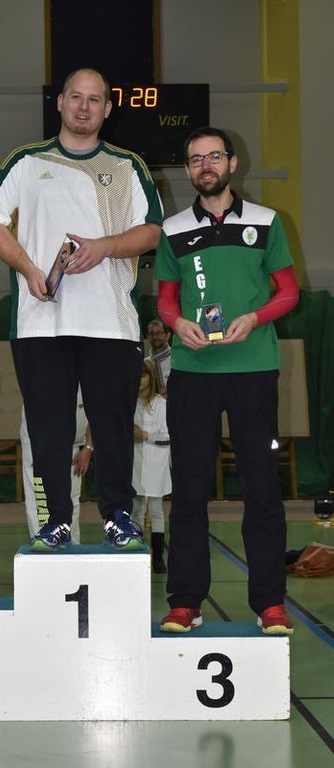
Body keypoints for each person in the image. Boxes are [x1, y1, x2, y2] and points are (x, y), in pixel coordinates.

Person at [0, 67, 163, 551]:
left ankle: (118, 517)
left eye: (94, 99)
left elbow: (152, 231)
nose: (84, 107)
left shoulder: (127, 166)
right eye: (76, 97)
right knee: (48, 431)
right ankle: (56, 521)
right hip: (41, 322)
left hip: (112, 324)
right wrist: (28, 269)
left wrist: (104, 248)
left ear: (107, 108)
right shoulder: (25, 161)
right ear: (59, 102)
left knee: (113, 427)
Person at [155, 126, 300, 635]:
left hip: (253, 369)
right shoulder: (172, 229)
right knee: (189, 490)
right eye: (196, 159)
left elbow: (288, 293)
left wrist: (255, 318)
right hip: (193, 373)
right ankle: (185, 602)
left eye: (214, 156)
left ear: (232, 163)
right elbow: (165, 299)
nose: (206, 166)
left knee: (262, 488)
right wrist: (178, 324)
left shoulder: (266, 221)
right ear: (188, 169)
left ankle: (270, 603)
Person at [20, 388, 92, 543]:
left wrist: (88, 447)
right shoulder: (39, 379)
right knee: (40, 499)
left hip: (74, 444)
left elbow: (96, 410)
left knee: (72, 501)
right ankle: (42, 543)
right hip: (37, 442)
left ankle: (72, 546)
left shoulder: (89, 377)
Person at [131, 358, 171, 573]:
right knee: (136, 510)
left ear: (151, 377)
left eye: (143, 375)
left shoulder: (161, 404)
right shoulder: (129, 403)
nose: (139, 380)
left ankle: (158, 557)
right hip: (136, 462)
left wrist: (144, 435)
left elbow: (168, 436)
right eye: (136, 376)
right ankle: (137, 554)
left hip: (157, 463)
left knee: (156, 510)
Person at [145, 317, 172, 394]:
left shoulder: (177, 360)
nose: (155, 337)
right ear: (147, 336)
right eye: (151, 333)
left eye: (159, 333)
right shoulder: (145, 364)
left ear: (168, 335)